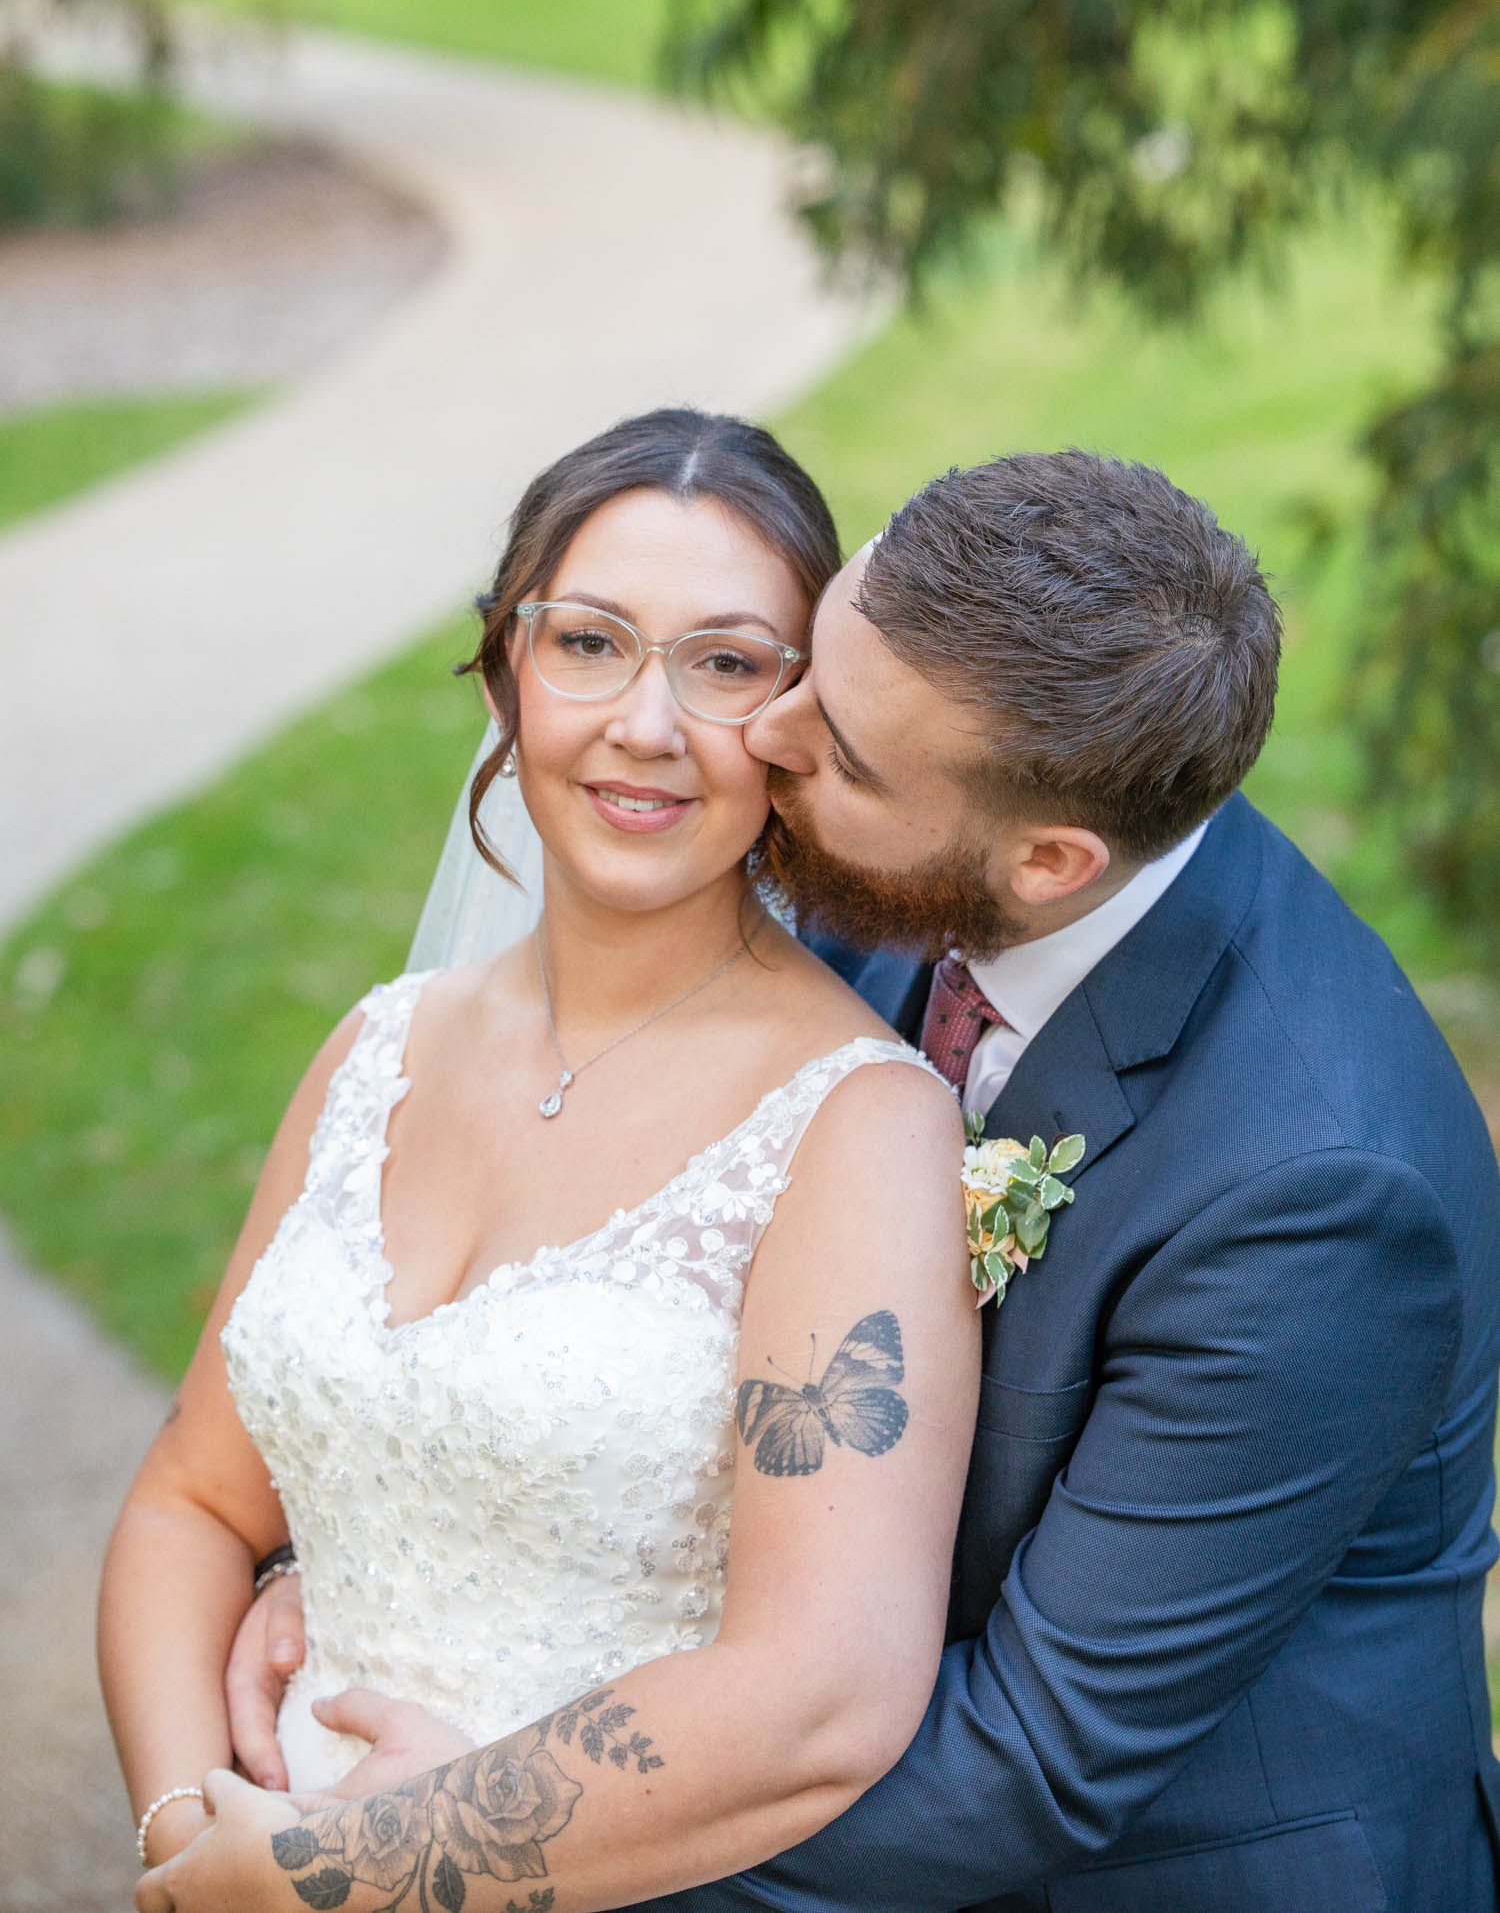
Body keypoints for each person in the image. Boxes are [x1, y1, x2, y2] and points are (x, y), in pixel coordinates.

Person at [220, 448, 1500, 1913]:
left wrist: (456, 1842)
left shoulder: (1318, 1194)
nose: (764, 733)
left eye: (838, 745)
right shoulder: (922, 829)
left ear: (1048, 861)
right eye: (813, 669)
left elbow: (1030, 1754)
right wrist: (398, 1558)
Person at [103, 409, 978, 1911]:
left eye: (723, 662)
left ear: (798, 717)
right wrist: (194, 1836)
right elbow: (191, 1500)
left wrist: (346, 1871)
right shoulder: (376, 1050)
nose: (646, 723)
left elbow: (820, 1692)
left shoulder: (856, 1123)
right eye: (589, 642)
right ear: (510, 665)